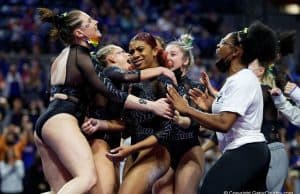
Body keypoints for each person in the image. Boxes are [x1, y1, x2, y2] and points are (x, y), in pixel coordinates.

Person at [34, 8, 173, 194]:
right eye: (89, 21)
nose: (96, 22)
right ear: (79, 33)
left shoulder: (64, 55)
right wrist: (154, 100)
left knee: (60, 189)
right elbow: (115, 92)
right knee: (86, 178)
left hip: (49, 121)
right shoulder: (85, 58)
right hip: (64, 120)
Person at [167, 21, 276, 193]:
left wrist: (187, 109)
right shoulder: (234, 80)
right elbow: (231, 114)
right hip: (250, 151)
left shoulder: (243, 79)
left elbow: (224, 123)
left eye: (223, 43)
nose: (218, 46)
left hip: (245, 150)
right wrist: (210, 106)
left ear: (236, 52)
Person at [82, 44, 176, 194]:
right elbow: (124, 76)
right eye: (123, 52)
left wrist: (103, 124)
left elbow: (125, 124)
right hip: (99, 142)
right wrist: (161, 70)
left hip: (114, 146)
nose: (129, 56)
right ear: (111, 58)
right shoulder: (109, 72)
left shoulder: (125, 86)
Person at [151, 33, 205, 194]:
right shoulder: (156, 85)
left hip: (188, 150)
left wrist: (182, 120)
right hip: (163, 150)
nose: (168, 58)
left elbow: (201, 122)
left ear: (186, 60)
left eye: (173, 54)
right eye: (166, 55)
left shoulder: (195, 87)